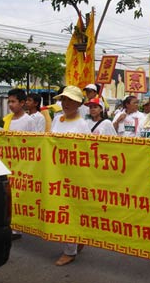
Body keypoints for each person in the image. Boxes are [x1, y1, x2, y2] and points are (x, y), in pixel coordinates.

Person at [51, 85, 91, 266]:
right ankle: (78, 238)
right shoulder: (56, 120)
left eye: (70, 100)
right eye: (63, 99)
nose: (66, 103)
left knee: (70, 211)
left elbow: (89, 151)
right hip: (56, 171)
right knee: (62, 209)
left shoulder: (82, 125)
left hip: (74, 174)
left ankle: (69, 250)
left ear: (78, 103)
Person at [3, 88, 36, 240]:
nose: (11, 104)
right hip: (9, 163)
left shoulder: (29, 121)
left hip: (23, 163)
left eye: (13, 101)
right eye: (9, 101)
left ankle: (19, 228)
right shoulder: (7, 119)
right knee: (10, 194)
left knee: (20, 195)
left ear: (22, 103)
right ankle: (12, 224)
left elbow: (34, 142)